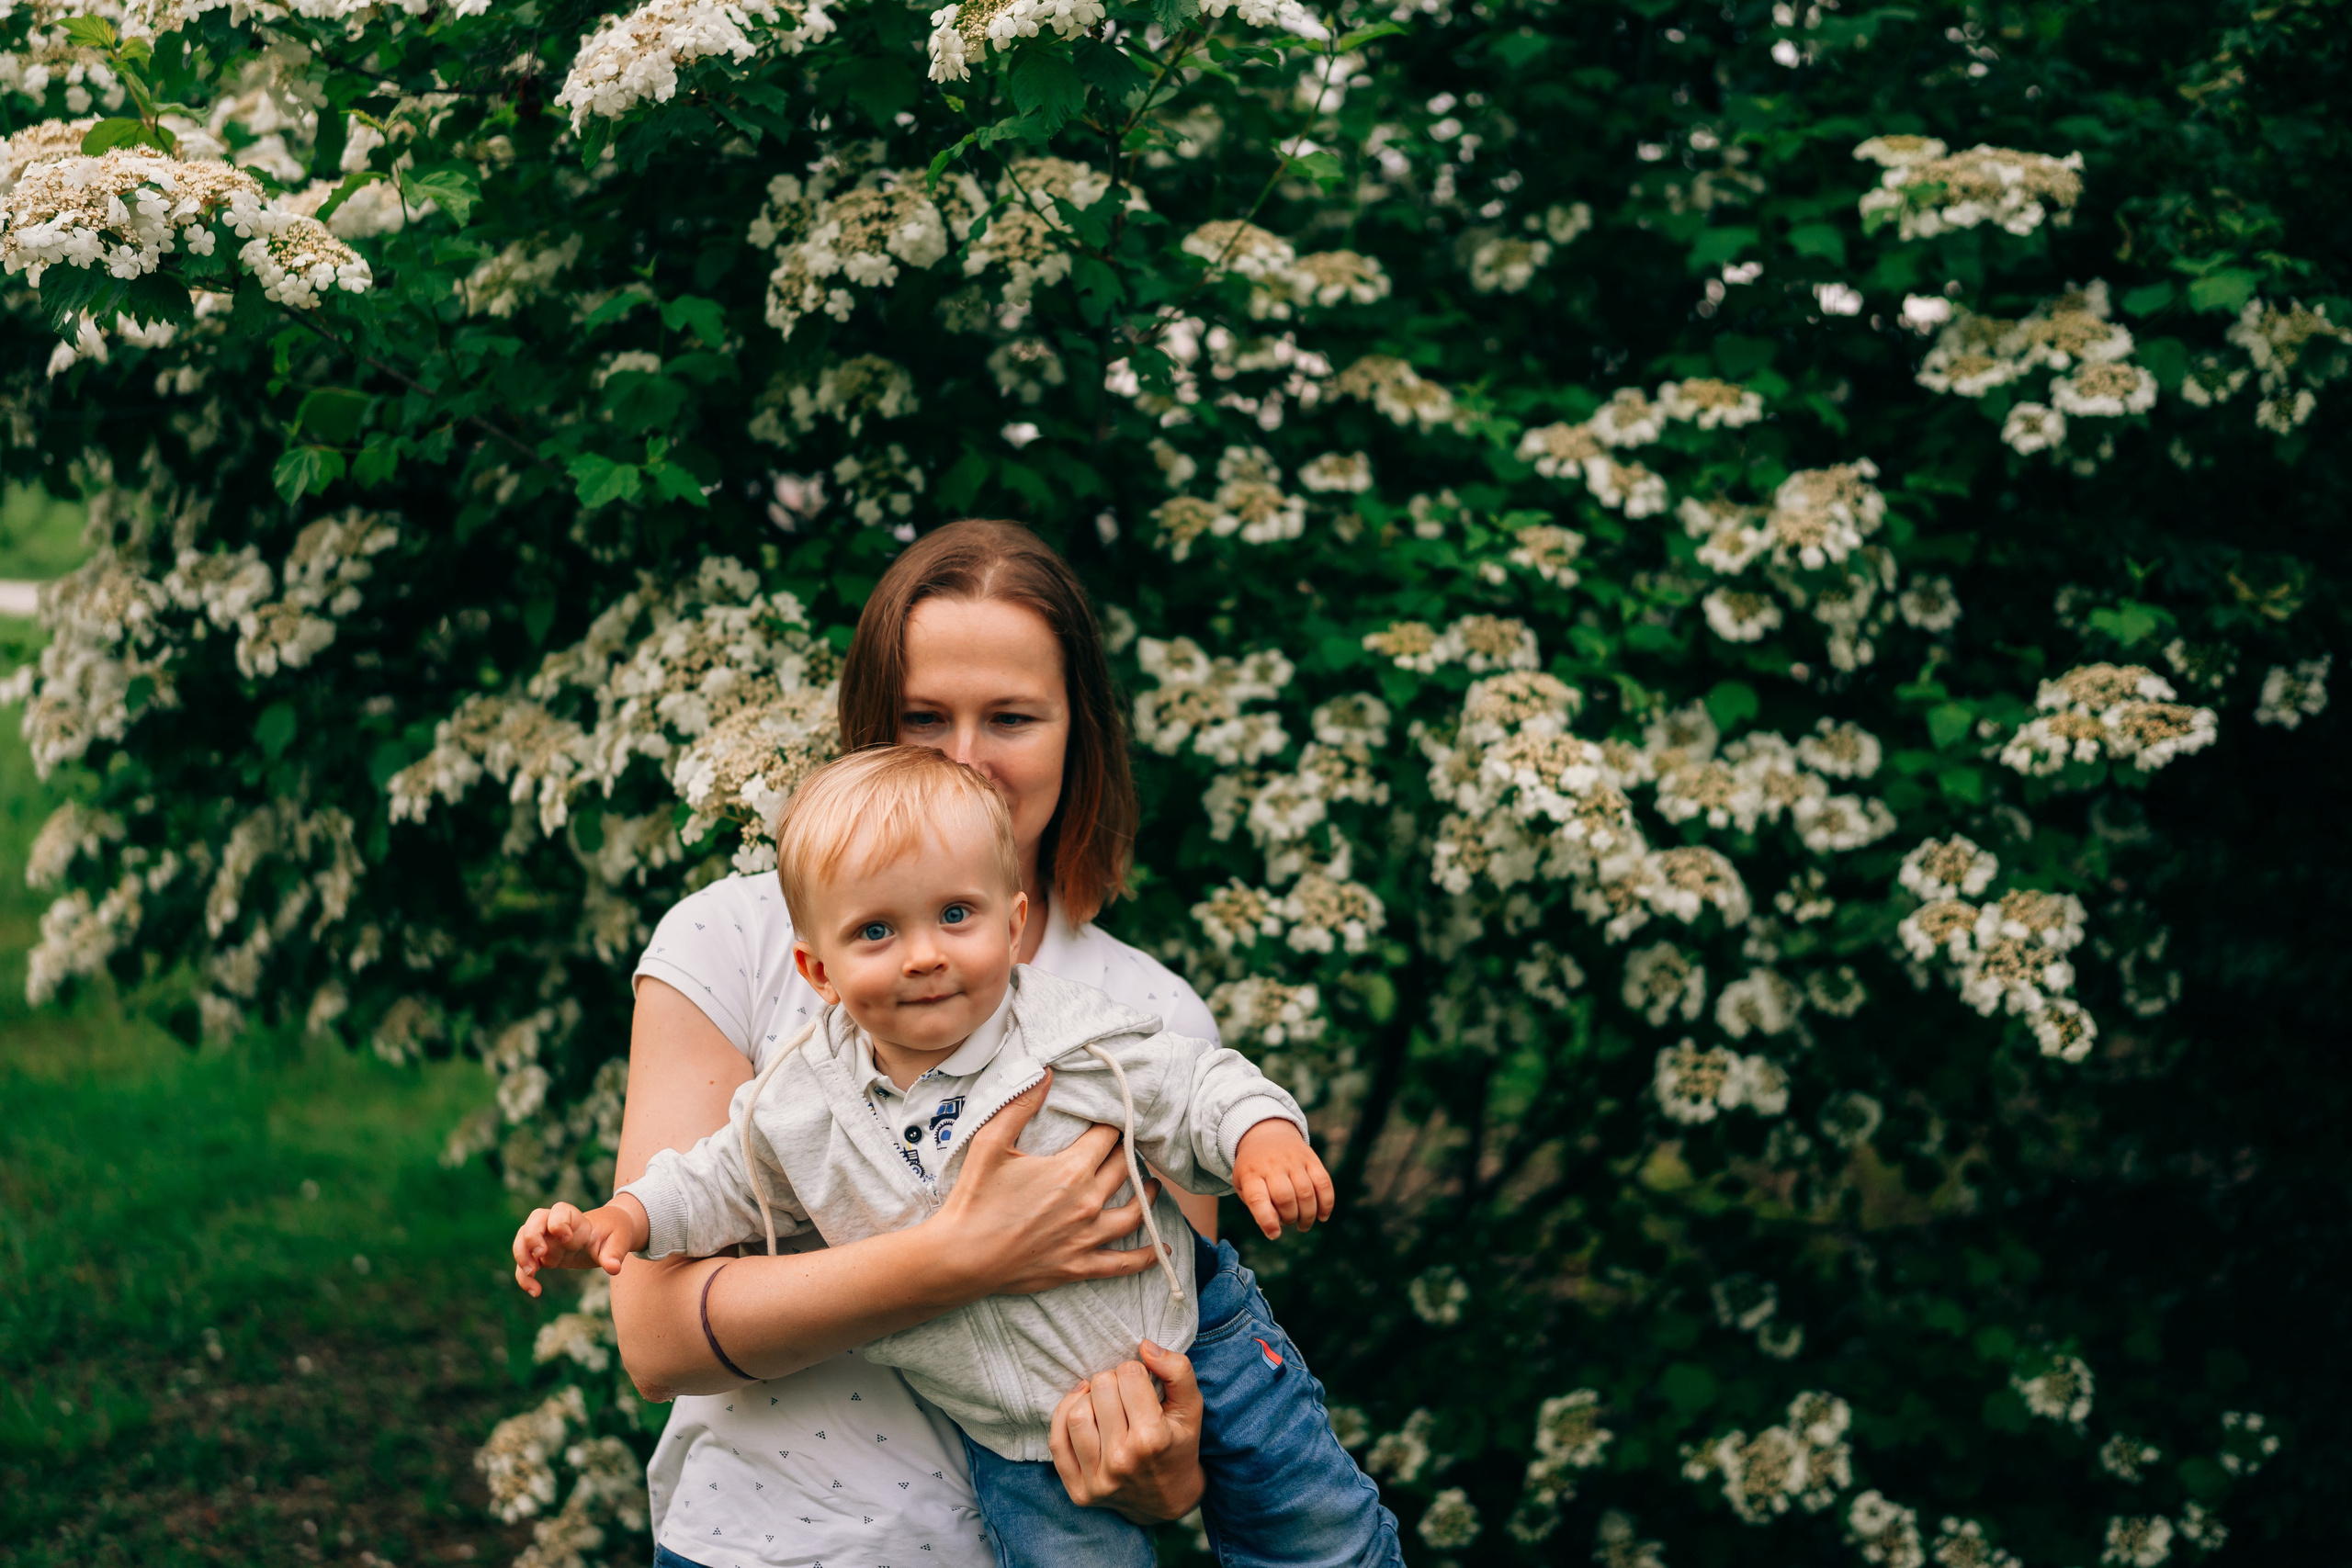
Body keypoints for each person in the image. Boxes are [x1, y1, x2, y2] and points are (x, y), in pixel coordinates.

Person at [546, 520, 1381, 1565]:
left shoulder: (1139, 1014)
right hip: (767, 1545)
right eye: (923, 717)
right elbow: (656, 1340)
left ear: (1080, 728)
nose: (968, 758)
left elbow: (1165, 1404)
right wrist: (955, 1257)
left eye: (1013, 717)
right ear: (868, 727)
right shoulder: (737, 939)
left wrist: (1161, 1467)